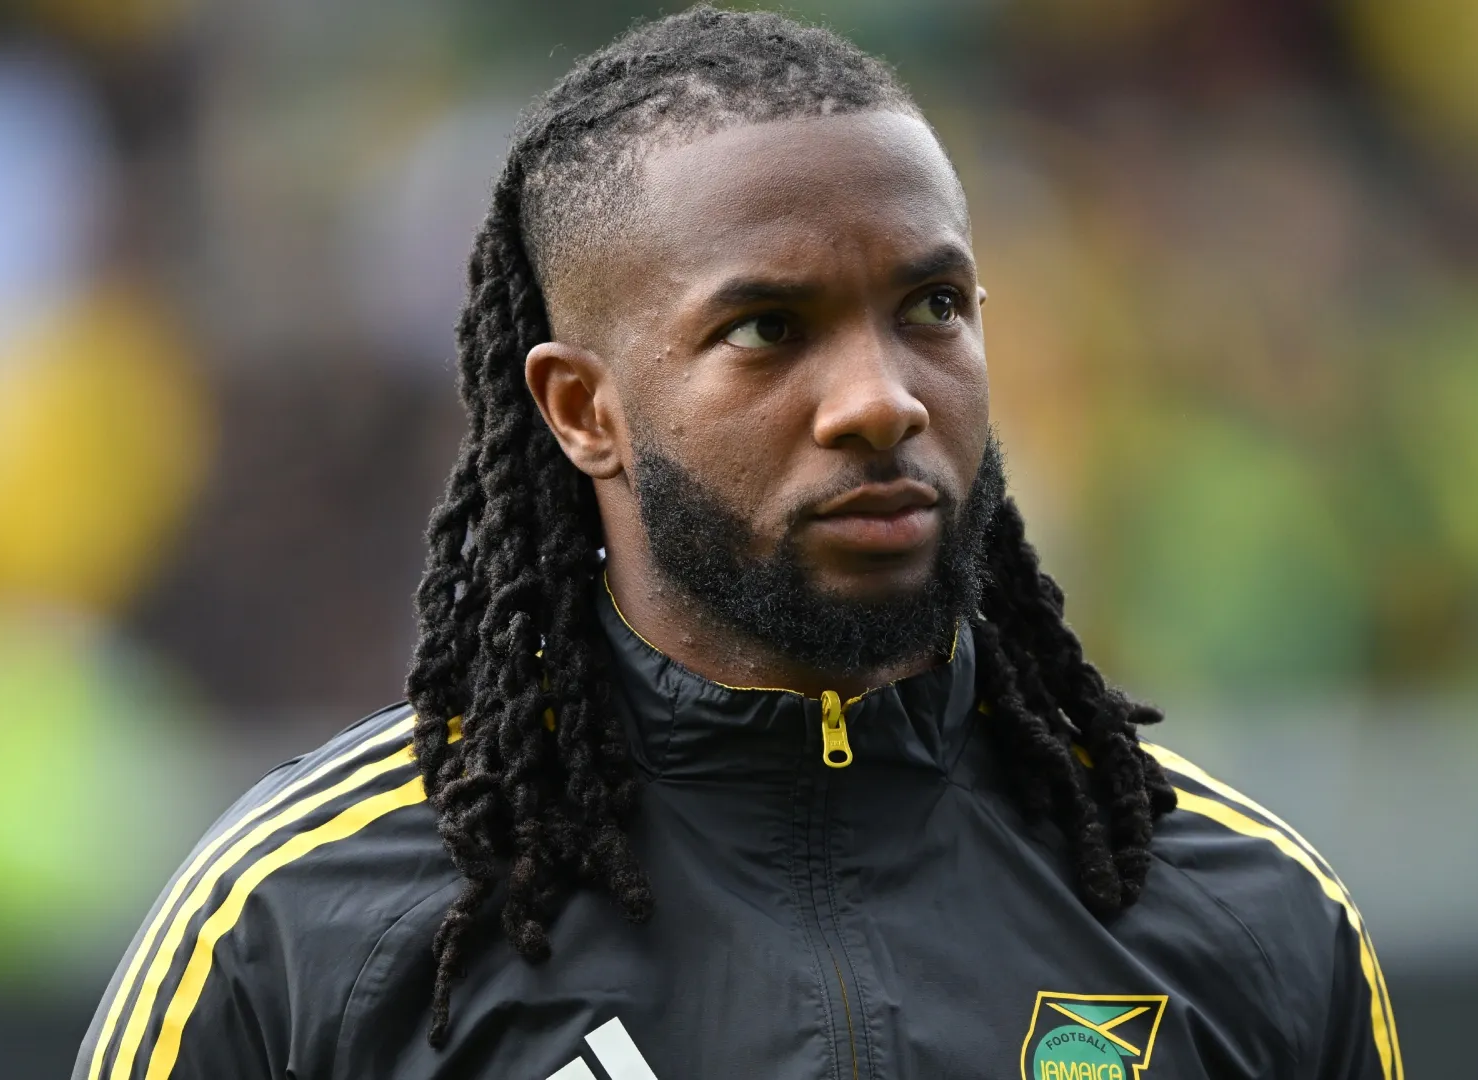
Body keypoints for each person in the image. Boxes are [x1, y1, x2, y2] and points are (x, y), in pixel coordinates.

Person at [76, 8, 1402, 1079]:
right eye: (770, 327)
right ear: (584, 410)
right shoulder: (302, 933)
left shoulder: (1248, 920)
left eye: (932, 306)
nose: (883, 397)